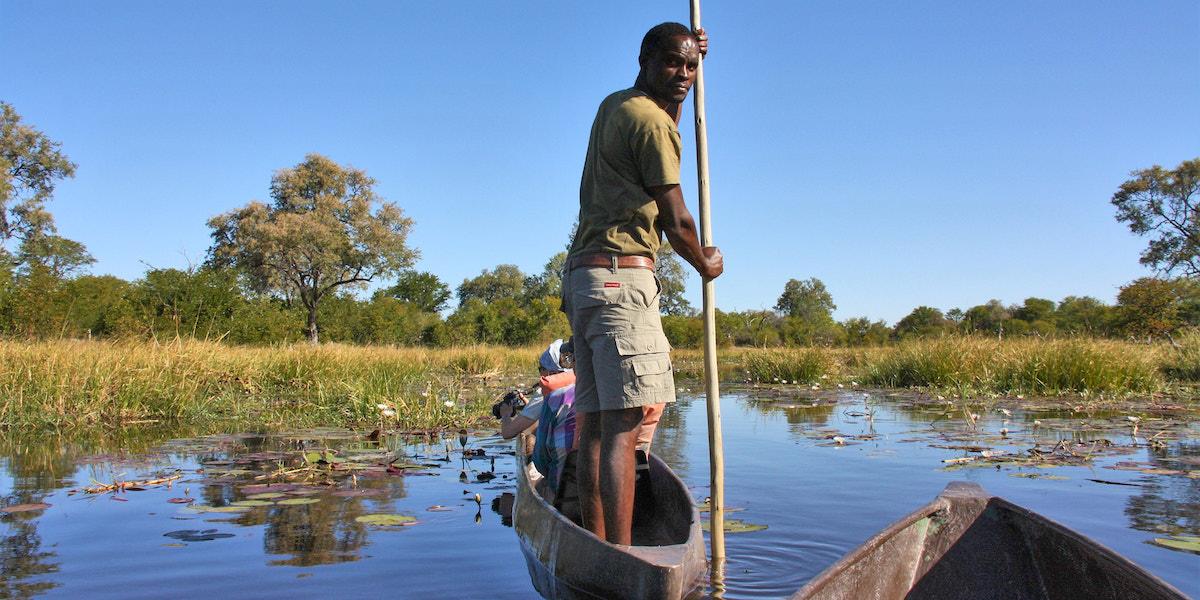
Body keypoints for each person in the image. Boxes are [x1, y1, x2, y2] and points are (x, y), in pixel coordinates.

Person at [560, 22, 723, 545]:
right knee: (625, 430)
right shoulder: (651, 124)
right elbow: (677, 222)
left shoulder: (618, 105)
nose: (684, 74)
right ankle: (622, 555)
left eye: (692, 66)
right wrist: (705, 261)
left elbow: (664, 122)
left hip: (585, 280)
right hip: (621, 283)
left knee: (597, 424)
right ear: (645, 59)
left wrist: (685, 77)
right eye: (673, 62)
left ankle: (598, 544)